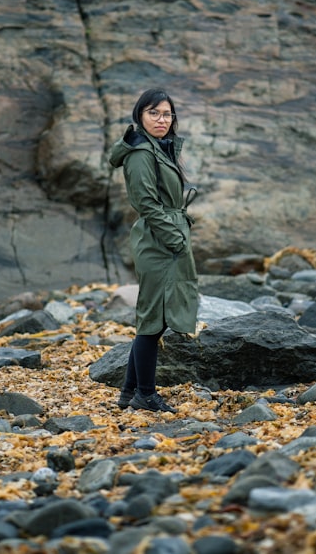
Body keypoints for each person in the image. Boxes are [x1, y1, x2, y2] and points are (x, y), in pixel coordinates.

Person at [108, 88, 199, 413]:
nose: (162, 120)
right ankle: (146, 393)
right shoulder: (141, 154)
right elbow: (146, 203)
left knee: (154, 316)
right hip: (158, 241)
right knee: (153, 318)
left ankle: (130, 391)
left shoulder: (160, 148)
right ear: (140, 116)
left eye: (166, 114)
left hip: (164, 237)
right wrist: (175, 238)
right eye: (154, 113)